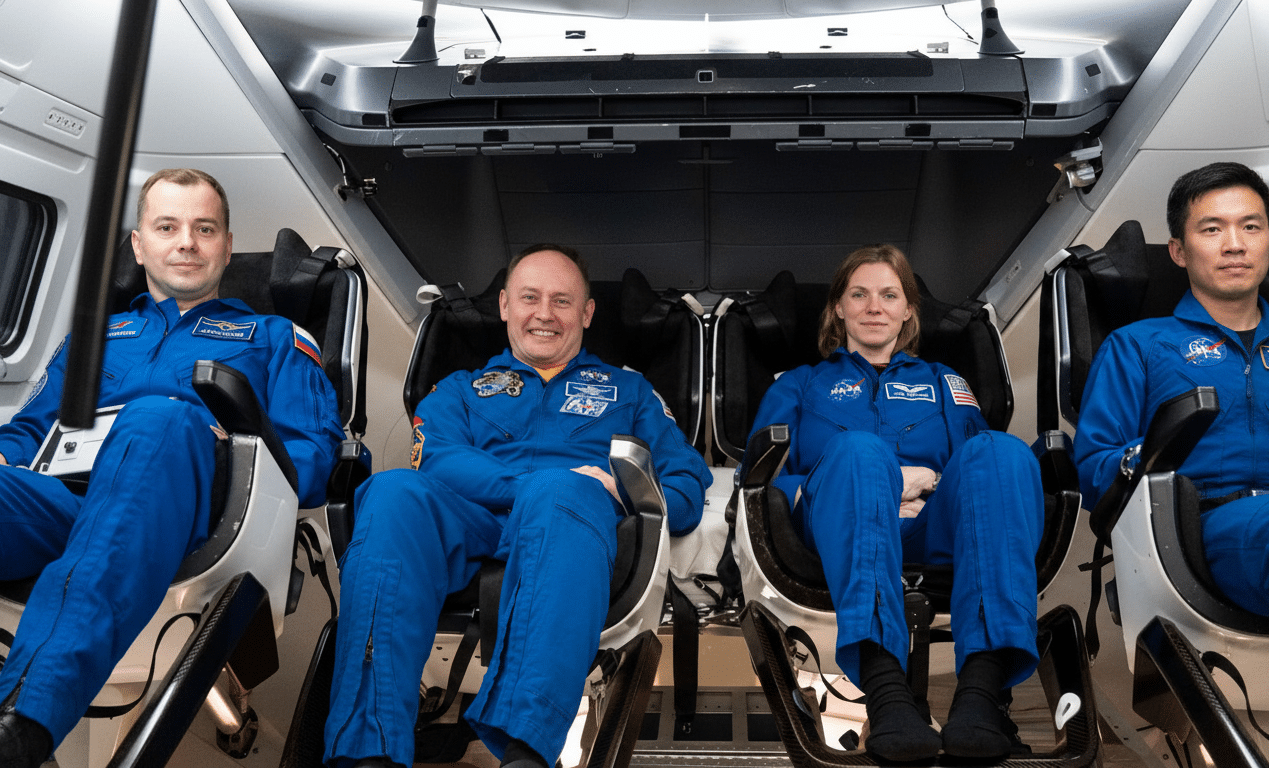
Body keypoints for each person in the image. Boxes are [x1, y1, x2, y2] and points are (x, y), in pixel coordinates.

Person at [0, 168, 345, 767]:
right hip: (66, 503)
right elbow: (27, 435)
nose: (186, 241)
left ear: (227, 245)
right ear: (139, 243)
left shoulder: (273, 336)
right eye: (167, 226)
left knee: (158, 420)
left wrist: (219, 441)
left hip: (196, 514)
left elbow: (310, 460)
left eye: (203, 228)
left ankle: (25, 723)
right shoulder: (96, 336)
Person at [323, 244, 712, 768]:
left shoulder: (631, 391)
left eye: (562, 300)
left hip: (574, 525)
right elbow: (436, 459)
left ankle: (524, 751)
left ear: (587, 313)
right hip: (472, 518)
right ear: (506, 304)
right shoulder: (459, 389)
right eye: (530, 297)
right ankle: (368, 752)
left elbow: (686, 486)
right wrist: (530, 482)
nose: (544, 314)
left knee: (561, 493)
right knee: (392, 492)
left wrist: (623, 490)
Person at [1074, 161, 1269, 733]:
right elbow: (1097, 466)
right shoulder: (1139, 346)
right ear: (1178, 250)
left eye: (1250, 227)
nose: (1234, 245)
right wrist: (1152, 453)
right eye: (1212, 229)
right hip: (1201, 530)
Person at [748, 244, 1044, 761]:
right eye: (858, 294)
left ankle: (982, 691)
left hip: (930, 527)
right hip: (834, 528)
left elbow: (976, 472)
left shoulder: (945, 383)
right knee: (860, 452)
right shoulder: (799, 384)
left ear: (909, 309)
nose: (873, 306)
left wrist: (923, 488)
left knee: (1002, 451)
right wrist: (879, 484)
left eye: (889, 294)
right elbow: (764, 482)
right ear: (837, 307)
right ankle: (886, 693)